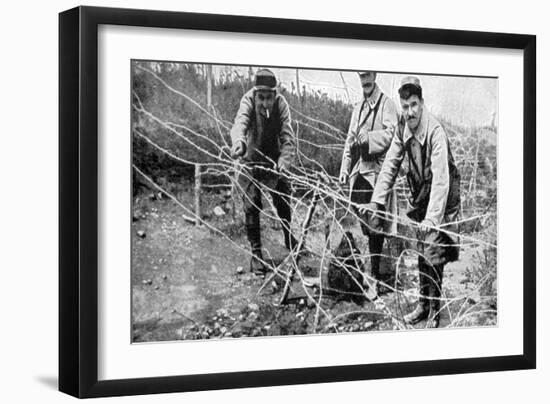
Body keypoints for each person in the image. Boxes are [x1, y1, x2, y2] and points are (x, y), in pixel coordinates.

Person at [364, 76, 461, 328]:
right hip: (421, 195)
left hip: (443, 197)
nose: (409, 112)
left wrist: (432, 217)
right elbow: (389, 166)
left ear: (422, 103)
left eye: (414, 105)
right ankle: (423, 304)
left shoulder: (435, 132)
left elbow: (441, 179)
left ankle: (435, 311)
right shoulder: (401, 129)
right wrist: (377, 201)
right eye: (405, 107)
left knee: (434, 250)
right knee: (420, 249)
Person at [230, 69, 298, 276]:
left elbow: (288, 136)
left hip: (272, 160)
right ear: (256, 94)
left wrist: (284, 161)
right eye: (262, 98)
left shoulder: (281, 105)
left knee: (283, 199)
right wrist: (239, 142)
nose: (266, 103)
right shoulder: (248, 100)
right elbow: (239, 124)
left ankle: (288, 236)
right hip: (249, 160)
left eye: (269, 98)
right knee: (251, 204)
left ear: (275, 95)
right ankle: (256, 253)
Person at [339, 71, 399, 294]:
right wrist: (345, 169)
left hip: (377, 175)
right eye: (361, 75)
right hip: (359, 175)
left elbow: (393, 134)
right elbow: (349, 139)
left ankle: (375, 277)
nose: (365, 80)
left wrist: (370, 137)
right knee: (359, 223)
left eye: (368, 75)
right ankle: (361, 272)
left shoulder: (388, 105)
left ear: (375, 75)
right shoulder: (358, 108)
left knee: (376, 227)